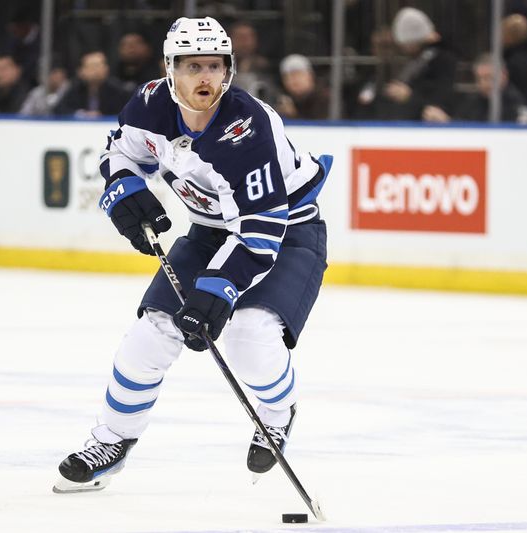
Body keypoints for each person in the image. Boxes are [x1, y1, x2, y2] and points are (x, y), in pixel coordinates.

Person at [53, 16, 331, 494]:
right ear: (169, 69)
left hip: (287, 235)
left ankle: (278, 412)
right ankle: (112, 440)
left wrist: (218, 289)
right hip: (208, 232)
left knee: (249, 336)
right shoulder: (149, 103)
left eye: (215, 66)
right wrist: (122, 187)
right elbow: (119, 151)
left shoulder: (247, 128)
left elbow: (260, 230)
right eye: (192, 66)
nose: (205, 77)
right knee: (151, 333)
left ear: (229, 70)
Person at [360, 7, 456, 121]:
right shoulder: (415, 60)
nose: (403, 49)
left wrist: (410, 96)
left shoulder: (442, 60)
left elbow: (440, 99)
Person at [422, 53, 527, 124]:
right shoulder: (473, 101)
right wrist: (446, 122)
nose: (484, 83)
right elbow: (463, 125)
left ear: (503, 75)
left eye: (489, 78)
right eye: (479, 79)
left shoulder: (515, 102)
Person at [54, 50, 130, 118]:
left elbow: (126, 113)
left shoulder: (118, 90)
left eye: (98, 66)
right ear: (81, 71)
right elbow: (59, 109)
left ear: (106, 69)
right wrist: (80, 114)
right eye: (91, 67)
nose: (95, 71)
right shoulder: (75, 88)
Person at [274, 54, 329, 120]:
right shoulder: (282, 98)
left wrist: (293, 115)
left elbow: (320, 127)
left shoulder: (325, 98)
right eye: (288, 76)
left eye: (298, 74)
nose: (293, 80)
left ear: (310, 75)